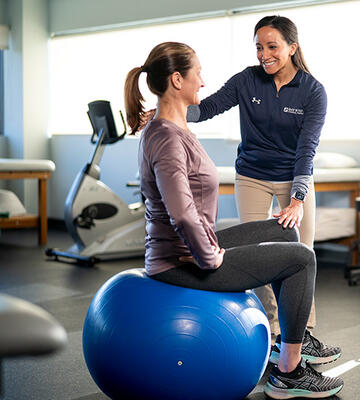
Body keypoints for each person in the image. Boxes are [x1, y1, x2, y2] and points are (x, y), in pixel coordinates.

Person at [124, 41, 343, 399]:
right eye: (198, 73)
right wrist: (210, 256)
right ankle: (288, 371)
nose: (203, 82)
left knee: (287, 232)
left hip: (191, 250)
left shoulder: (170, 130)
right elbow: (180, 212)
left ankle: (294, 343)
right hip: (182, 262)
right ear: (177, 80)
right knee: (304, 258)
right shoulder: (166, 137)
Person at [186, 15, 330, 358]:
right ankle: (271, 329)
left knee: (301, 256)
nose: (264, 54)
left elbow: (306, 150)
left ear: (292, 48)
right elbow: (206, 109)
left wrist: (296, 200)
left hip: (292, 179)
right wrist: (168, 109)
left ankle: (302, 334)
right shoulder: (246, 80)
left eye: (272, 47)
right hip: (251, 176)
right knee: (258, 253)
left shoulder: (313, 92)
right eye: (259, 47)